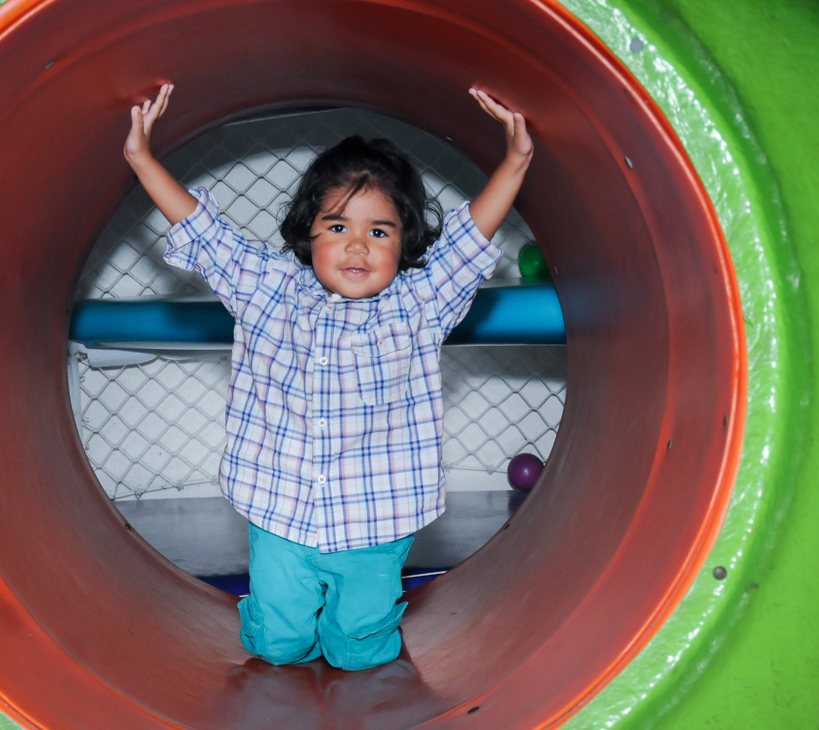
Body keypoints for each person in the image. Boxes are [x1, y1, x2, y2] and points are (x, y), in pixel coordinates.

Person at [124, 84, 533, 670]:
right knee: (278, 646)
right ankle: (283, 623)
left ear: (405, 242)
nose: (357, 246)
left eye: (379, 232)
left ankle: (355, 634)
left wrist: (515, 160)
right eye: (338, 227)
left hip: (374, 519)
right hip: (282, 512)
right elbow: (204, 231)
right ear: (308, 231)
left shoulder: (418, 303)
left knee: (357, 653)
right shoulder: (269, 288)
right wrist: (141, 158)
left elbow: (469, 238)